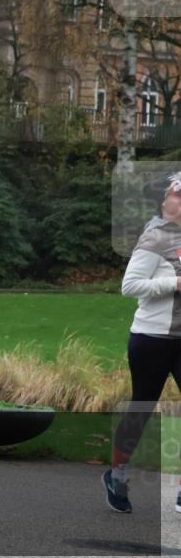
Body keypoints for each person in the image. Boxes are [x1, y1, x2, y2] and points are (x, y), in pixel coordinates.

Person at [104, 172, 181, 514]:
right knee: (142, 408)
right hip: (151, 338)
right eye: (177, 193)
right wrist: (174, 283)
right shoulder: (154, 237)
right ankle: (117, 475)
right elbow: (130, 286)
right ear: (163, 202)